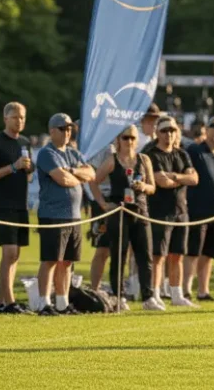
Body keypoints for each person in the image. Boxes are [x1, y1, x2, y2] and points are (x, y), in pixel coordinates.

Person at [34, 113, 95, 315]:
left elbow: (91, 173)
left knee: (67, 261)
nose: (68, 132)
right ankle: (44, 303)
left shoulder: (73, 153)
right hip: (53, 214)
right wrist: (76, 174)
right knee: (51, 260)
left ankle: (62, 302)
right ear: (52, 131)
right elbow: (62, 179)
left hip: (74, 215)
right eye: (63, 128)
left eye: (70, 128)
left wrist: (72, 171)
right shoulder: (46, 153)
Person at [92, 126, 158, 309]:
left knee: (145, 255)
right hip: (119, 211)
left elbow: (153, 187)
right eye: (125, 138)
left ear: (137, 141)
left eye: (132, 138)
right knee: (118, 254)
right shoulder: (112, 161)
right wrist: (104, 204)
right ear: (118, 141)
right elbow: (93, 180)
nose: (129, 142)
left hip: (140, 210)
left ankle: (148, 297)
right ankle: (119, 296)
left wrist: (143, 187)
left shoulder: (144, 160)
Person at [0, 102, 34, 314]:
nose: (19, 121)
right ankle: (10, 301)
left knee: (16, 254)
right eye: (15, 117)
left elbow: (27, 171)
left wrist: (27, 169)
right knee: (9, 252)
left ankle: (1, 301)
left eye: (22, 117)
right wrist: (13, 167)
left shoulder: (25, 142)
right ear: (5, 119)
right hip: (2, 203)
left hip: (21, 203)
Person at [142, 117, 199, 308]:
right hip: (159, 211)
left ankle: (177, 294)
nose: (169, 135)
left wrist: (175, 176)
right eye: (165, 131)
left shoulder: (182, 154)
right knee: (159, 256)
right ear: (157, 132)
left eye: (172, 131)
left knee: (177, 255)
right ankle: (155, 294)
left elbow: (194, 178)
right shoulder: (151, 154)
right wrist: (182, 178)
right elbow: (161, 181)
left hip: (181, 211)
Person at [185, 116, 214, 302]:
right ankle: (186, 289)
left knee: (209, 253)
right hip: (198, 210)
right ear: (207, 129)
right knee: (193, 252)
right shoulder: (196, 151)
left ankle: (203, 291)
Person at [86, 143, 116, 292]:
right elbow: (92, 177)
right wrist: (102, 203)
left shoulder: (130, 147)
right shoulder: (104, 147)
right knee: (102, 248)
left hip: (123, 201)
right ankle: (95, 288)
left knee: (120, 249)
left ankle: (117, 288)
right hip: (103, 200)